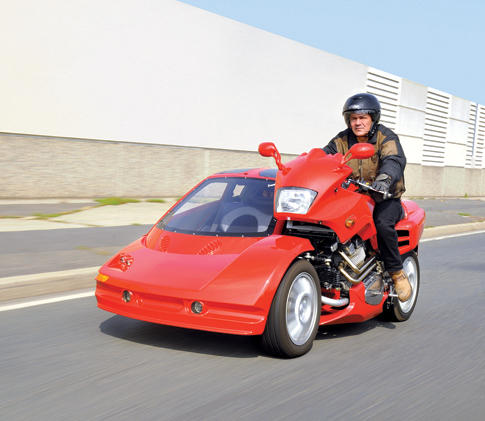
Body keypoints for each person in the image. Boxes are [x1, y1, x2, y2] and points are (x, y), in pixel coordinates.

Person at [323, 93, 412, 302]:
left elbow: (394, 160)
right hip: (354, 197)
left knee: (382, 223)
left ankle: (397, 272)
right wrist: (306, 163)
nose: (358, 122)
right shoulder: (341, 140)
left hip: (384, 198)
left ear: (373, 118)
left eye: (362, 118)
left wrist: (384, 179)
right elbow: (324, 155)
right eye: (353, 118)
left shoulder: (386, 137)